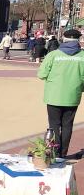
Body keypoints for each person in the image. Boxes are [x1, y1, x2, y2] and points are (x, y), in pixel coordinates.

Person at [38, 29, 84, 158]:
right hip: (72, 96)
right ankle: (63, 154)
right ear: (78, 40)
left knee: (53, 125)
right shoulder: (82, 56)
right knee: (67, 126)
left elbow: (41, 74)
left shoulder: (53, 55)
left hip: (53, 96)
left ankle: (54, 153)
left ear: (64, 39)